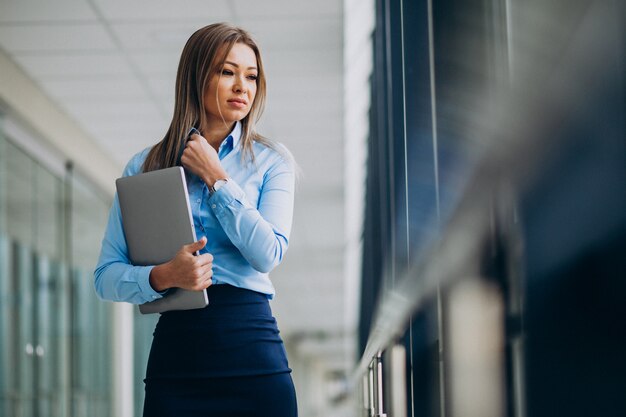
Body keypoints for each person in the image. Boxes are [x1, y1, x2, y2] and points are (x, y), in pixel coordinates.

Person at [94, 23, 297, 417]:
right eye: (227, 72)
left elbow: (268, 253)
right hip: (178, 359)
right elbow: (105, 276)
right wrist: (164, 276)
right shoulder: (146, 165)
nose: (242, 86)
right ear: (196, 76)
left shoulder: (272, 162)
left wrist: (217, 178)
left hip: (253, 354)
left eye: (251, 76)